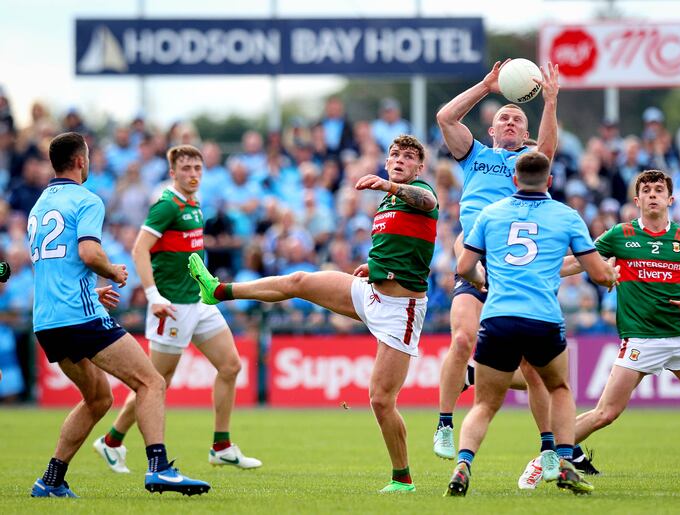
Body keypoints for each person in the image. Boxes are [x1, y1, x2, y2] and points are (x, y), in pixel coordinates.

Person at [188, 135, 437, 493]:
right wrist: (374, 267)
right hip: (371, 293)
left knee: (381, 400)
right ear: (386, 160)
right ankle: (219, 291)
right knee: (299, 280)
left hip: (402, 310)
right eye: (395, 155)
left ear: (419, 167)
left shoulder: (417, 193)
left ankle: (403, 480)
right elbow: (403, 248)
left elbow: (427, 201)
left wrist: (391, 186)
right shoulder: (386, 202)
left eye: (409, 157)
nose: (400, 159)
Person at [28, 132, 209, 497]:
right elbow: (88, 253)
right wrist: (112, 271)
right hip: (80, 317)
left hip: (48, 320)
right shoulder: (86, 199)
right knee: (151, 382)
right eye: (89, 156)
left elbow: (54, 266)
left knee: (98, 398)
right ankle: (159, 467)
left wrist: (90, 289)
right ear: (81, 161)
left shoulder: (40, 204)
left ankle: (50, 479)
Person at [558, 169, 680, 490]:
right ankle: (546, 456)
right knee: (605, 414)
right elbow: (580, 262)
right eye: (647, 190)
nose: (653, 194)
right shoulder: (619, 234)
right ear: (637, 200)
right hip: (641, 339)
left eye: (659, 190)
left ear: (670, 199)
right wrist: (543, 268)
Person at [434, 58, 581, 481]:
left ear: (526, 132)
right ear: (492, 131)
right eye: (504, 118)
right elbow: (445, 116)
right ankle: (444, 425)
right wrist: (486, 86)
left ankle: (549, 450)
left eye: (518, 117)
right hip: (478, 257)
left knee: (535, 371)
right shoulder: (475, 155)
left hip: (517, 270)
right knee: (461, 337)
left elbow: (548, 151)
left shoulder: (530, 166)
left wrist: (550, 101)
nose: (511, 120)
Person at [444, 152, 618, 497]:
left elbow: (463, 266)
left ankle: (463, 465)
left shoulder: (490, 214)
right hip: (543, 319)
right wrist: (610, 275)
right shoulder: (566, 216)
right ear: (550, 182)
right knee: (559, 389)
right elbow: (598, 274)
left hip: (497, 318)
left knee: (484, 405)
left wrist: (482, 281)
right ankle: (565, 463)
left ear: (513, 181)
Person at [94, 145, 261, 473]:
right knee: (155, 382)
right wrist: (153, 295)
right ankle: (112, 440)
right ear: (173, 172)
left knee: (230, 366)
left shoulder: (196, 204)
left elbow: (188, 254)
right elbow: (140, 249)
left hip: (197, 301)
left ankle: (222, 445)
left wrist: (205, 278)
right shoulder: (167, 206)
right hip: (170, 306)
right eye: (186, 168)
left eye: (198, 168)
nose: (193, 174)